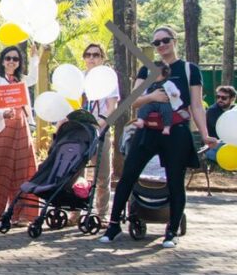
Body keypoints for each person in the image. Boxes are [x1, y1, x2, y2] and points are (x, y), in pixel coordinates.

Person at [100, 27, 218, 248]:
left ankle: (171, 231)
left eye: (165, 41)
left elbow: (196, 106)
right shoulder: (147, 70)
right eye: (156, 43)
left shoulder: (189, 70)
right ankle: (113, 225)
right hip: (148, 130)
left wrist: (205, 134)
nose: (161, 45)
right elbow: (133, 102)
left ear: (174, 41)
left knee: (175, 180)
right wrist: (151, 96)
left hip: (176, 132)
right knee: (128, 175)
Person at [0, 46, 38, 224]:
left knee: (23, 171)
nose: (11, 61)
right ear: (2, 60)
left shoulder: (20, 80)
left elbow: (33, 77)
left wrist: (35, 58)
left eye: (15, 59)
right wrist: (0, 114)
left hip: (21, 126)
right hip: (1, 127)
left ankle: (23, 214)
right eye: (8, 58)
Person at [80, 42, 119, 220]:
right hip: (81, 130)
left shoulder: (108, 78)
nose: (91, 58)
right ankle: (74, 211)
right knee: (76, 172)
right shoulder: (80, 77)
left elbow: (112, 107)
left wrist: (99, 123)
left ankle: (101, 214)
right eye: (88, 55)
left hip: (100, 129)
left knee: (102, 175)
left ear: (102, 58)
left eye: (95, 55)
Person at [133, 62, 181, 137]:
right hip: (151, 103)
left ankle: (167, 127)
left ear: (164, 75)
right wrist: (148, 97)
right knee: (143, 108)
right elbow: (143, 94)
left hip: (164, 103)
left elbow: (175, 92)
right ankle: (140, 121)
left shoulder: (168, 83)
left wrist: (174, 94)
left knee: (167, 111)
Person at [206, 85, 235, 164]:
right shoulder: (212, 111)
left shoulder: (234, 110)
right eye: (218, 97)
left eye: (224, 98)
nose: (220, 100)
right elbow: (223, 130)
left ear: (232, 99)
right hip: (215, 145)